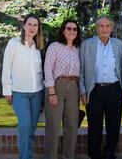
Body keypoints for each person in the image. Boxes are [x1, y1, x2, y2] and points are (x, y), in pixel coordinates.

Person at [79, 15, 122, 159]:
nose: (104, 29)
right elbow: (80, 70)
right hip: (94, 90)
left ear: (111, 28)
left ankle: (109, 153)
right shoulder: (87, 44)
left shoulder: (120, 44)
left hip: (114, 89)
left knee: (114, 125)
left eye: (107, 26)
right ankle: (95, 154)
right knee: (94, 125)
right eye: (101, 26)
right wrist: (83, 91)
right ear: (96, 28)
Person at [1, 14, 45, 159]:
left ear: (38, 28)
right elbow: (6, 67)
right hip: (19, 93)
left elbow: (40, 71)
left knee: (31, 128)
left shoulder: (38, 46)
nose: (32, 27)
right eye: (30, 24)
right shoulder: (14, 43)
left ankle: (28, 155)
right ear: (23, 26)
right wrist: (7, 89)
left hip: (37, 92)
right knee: (24, 125)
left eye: (35, 25)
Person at [44, 19, 82, 159]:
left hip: (74, 88)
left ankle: (69, 156)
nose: (72, 31)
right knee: (53, 125)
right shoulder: (55, 46)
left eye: (74, 29)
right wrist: (51, 91)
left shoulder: (79, 49)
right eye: (69, 28)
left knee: (72, 125)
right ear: (63, 30)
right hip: (57, 86)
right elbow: (47, 68)